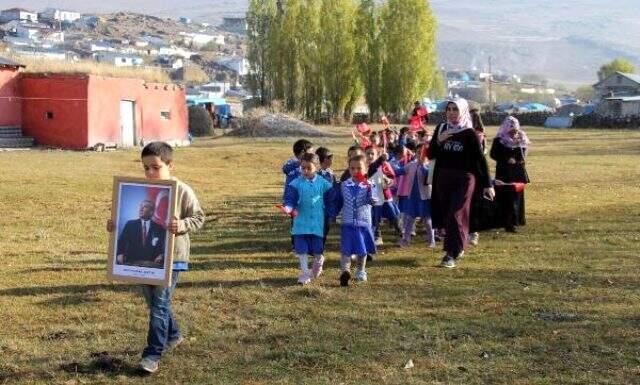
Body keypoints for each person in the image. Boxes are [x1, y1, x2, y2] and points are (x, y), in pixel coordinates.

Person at [107, 142, 205, 373]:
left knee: (159, 305)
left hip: (172, 258)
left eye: (155, 167)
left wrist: (181, 224)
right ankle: (174, 334)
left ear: (170, 165)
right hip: (140, 262)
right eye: (146, 168)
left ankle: (151, 356)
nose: (150, 172)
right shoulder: (139, 189)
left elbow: (199, 218)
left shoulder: (181, 190)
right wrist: (113, 224)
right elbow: (124, 224)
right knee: (155, 304)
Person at [428, 98, 494, 269]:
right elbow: (430, 154)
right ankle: (459, 244)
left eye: (455, 109)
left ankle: (450, 254)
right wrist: (439, 141)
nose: (451, 112)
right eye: (449, 109)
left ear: (463, 111)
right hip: (443, 179)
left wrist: (488, 184)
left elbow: (480, 160)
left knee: (456, 214)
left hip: (464, 179)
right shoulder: (442, 128)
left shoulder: (469, 133)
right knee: (448, 214)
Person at [281, 153, 334, 285]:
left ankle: (319, 260)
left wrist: (331, 212)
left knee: (317, 250)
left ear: (316, 167)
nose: (305, 171)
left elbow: (331, 198)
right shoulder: (295, 183)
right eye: (302, 168)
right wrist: (288, 207)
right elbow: (289, 199)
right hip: (300, 222)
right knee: (301, 249)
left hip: (317, 223)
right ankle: (304, 274)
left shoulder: (324, 183)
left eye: (308, 168)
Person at [330, 155, 377, 286]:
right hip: (347, 223)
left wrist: (372, 198)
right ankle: (344, 272)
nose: (355, 171)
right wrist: (332, 215)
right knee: (346, 250)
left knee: (362, 250)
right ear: (348, 169)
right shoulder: (343, 185)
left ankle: (361, 271)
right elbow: (338, 202)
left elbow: (373, 199)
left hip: (363, 223)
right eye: (352, 168)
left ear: (366, 169)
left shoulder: (370, 185)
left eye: (359, 168)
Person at [490, 116, 530, 233]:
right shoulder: (499, 140)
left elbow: (523, 154)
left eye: (516, 130)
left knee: (517, 197)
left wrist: (517, 159)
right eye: (512, 130)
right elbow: (493, 154)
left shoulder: (521, 138)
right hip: (504, 172)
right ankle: (505, 222)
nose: (514, 132)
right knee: (505, 198)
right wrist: (506, 159)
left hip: (517, 172)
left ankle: (516, 220)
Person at [395, 143, 435, 248]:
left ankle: (431, 241)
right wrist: (387, 168)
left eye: (424, 153)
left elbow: (429, 179)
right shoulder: (411, 165)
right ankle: (405, 241)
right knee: (409, 220)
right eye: (418, 152)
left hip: (425, 198)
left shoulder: (430, 166)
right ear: (416, 154)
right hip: (412, 198)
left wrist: (423, 166)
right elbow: (399, 171)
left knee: (427, 220)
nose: (421, 155)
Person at [365, 146, 401, 247]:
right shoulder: (364, 166)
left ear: (377, 155)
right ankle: (377, 235)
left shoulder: (384, 164)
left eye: (372, 153)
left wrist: (388, 181)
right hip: (373, 197)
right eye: (368, 153)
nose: (370, 156)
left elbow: (392, 177)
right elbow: (369, 172)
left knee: (392, 215)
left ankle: (400, 231)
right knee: (375, 217)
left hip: (385, 196)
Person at [116, 200, 166, 267]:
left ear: (151, 212)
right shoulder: (130, 224)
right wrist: (120, 253)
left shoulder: (159, 229)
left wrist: (162, 255)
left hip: (151, 264)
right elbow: (121, 241)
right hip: (131, 262)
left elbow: (163, 247)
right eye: (140, 206)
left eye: (145, 207)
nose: (141, 209)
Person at [316, 147, 336, 246]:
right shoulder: (318, 175)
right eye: (330, 158)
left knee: (327, 227)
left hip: (330, 206)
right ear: (325, 160)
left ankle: (320, 245)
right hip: (320, 206)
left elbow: (335, 186)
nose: (332, 160)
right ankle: (318, 248)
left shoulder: (331, 173)